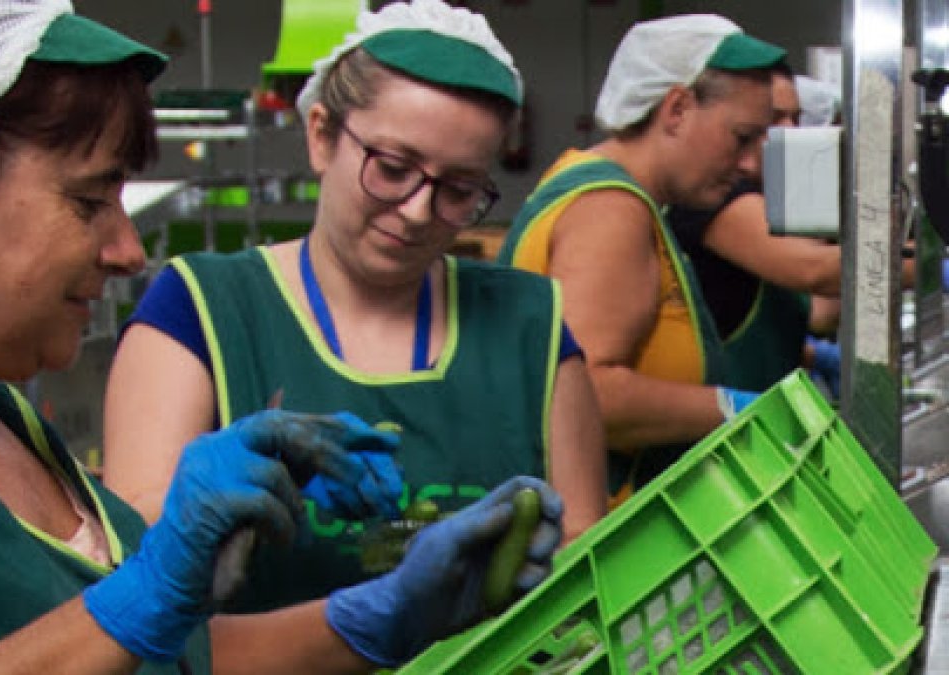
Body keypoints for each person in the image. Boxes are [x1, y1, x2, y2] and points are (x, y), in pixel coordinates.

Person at [0, 1, 566, 672]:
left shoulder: (1, 424)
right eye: (87, 201)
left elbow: (170, 659)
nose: (127, 250)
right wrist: (135, 599)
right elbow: (115, 634)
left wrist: (376, 615)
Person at [104, 0, 607, 614]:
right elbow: (133, 570)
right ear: (321, 136)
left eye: (458, 190)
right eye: (393, 169)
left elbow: (590, 569)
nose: (419, 210)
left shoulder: (531, 324)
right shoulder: (200, 311)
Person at [497, 14, 786, 502]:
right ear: (676, 108)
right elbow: (587, 393)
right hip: (596, 535)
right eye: (740, 137)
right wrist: (731, 407)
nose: (750, 164)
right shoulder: (609, 209)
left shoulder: (618, 195)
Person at [667, 63, 843, 395]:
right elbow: (812, 271)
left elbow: (817, 312)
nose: (788, 132)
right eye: (774, 119)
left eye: (796, 118)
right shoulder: (713, 201)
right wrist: (925, 264)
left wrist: (816, 355)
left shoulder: (769, 201)